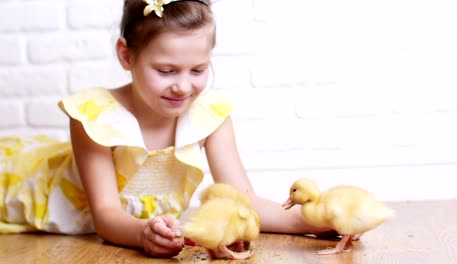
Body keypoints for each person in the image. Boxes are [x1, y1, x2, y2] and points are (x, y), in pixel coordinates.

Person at [0, 0, 335, 258]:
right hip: (37, 189)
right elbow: (105, 214)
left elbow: (243, 198)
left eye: (198, 69)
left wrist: (305, 222)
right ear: (126, 55)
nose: (183, 86)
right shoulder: (94, 117)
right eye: (166, 70)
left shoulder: (209, 117)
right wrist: (142, 234)